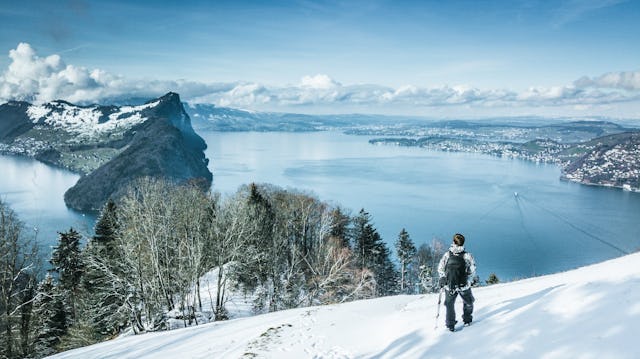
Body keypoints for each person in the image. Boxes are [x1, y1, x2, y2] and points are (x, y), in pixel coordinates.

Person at [437, 233, 476, 331]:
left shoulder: (447, 254)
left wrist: (442, 278)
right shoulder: (467, 256)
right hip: (464, 285)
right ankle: (467, 320)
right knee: (469, 302)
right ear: (463, 243)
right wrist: (469, 280)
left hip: (449, 285)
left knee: (449, 305)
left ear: (453, 242)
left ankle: (450, 325)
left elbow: (440, 268)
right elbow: (472, 270)